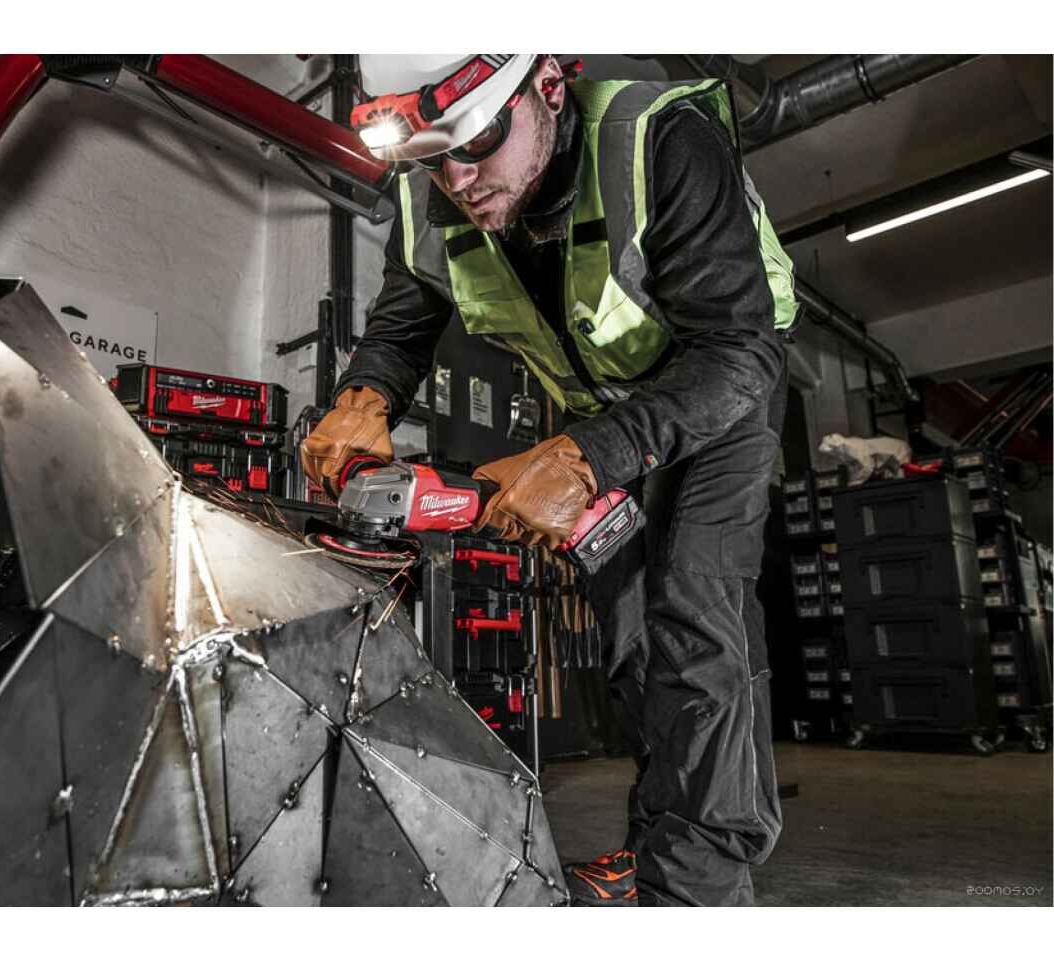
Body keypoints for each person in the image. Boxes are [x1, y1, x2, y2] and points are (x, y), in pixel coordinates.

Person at [300, 54, 798, 906]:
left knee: (694, 608)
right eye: (431, 160)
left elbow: (739, 350)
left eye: (477, 142)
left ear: (550, 89)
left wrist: (583, 459)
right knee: (632, 632)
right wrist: (363, 396)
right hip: (601, 408)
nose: (457, 182)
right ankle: (661, 845)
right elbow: (404, 321)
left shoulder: (660, 139)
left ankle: (701, 886)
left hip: (720, 387)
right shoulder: (435, 190)